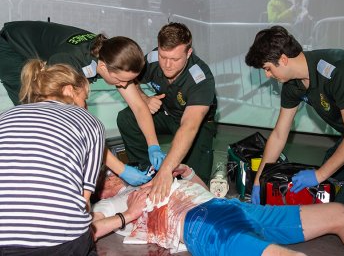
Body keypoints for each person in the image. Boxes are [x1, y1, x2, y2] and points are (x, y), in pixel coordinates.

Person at [245, 25, 344, 228]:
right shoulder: (293, 85)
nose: (267, 75)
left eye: (267, 68)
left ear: (283, 59)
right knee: (328, 187)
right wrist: (259, 181)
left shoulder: (339, 69)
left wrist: (319, 175)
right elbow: (279, 134)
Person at [91, 164, 344, 256]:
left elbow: (203, 192)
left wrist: (190, 176)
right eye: (104, 173)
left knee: (341, 214)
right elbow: (86, 229)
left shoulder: (147, 178)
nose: (113, 172)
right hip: (203, 225)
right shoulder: (112, 202)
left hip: (231, 206)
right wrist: (127, 216)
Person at [0, 20, 164, 187]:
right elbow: (83, 130)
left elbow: (138, 106)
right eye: (120, 81)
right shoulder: (68, 63)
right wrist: (121, 169)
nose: (123, 85)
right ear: (103, 67)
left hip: (40, 45)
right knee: (37, 118)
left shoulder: (110, 56)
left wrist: (153, 145)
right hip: (11, 47)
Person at [0, 59, 104, 255]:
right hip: (56, 241)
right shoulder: (91, 122)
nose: (85, 105)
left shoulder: (5, 116)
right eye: (84, 98)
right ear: (68, 90)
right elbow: (84, 200)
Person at [117, 22, 217, 203]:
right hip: (166, 113)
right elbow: (129, 78)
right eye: (164, 57)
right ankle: (145, 172)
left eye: (175, 59)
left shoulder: (201, 78)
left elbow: (189, 126)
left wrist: (166, 170)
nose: (167, 65)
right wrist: (145, 98)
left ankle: (163, 175)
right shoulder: (154, 58)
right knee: (127, 118)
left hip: (196, 126)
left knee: (195, 191)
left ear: (188, 53)